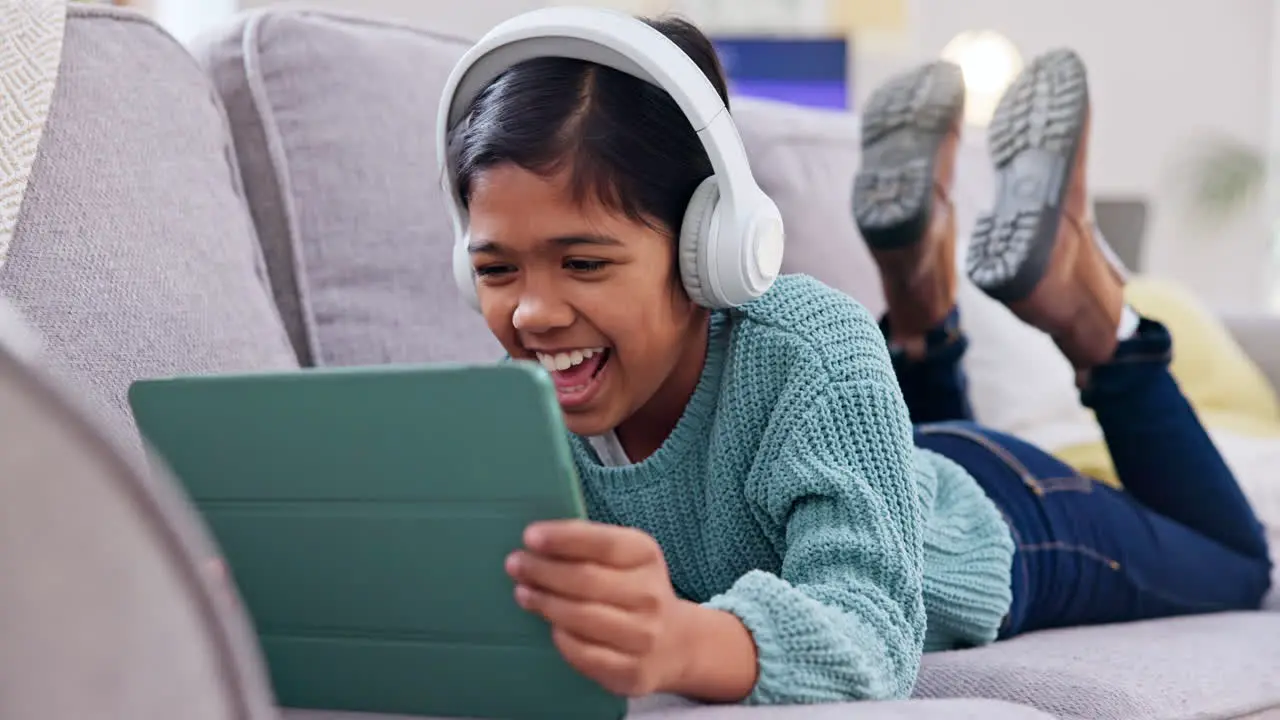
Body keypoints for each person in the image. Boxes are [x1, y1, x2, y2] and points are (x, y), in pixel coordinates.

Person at [448, 14, 1273, 706]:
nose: (532, 312)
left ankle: (1098, 319)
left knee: (1239, 565)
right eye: (495, 269)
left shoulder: (806, 345)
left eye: (584, 263)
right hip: (883, 463)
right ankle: (920, 308)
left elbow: (874, 631)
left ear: (710, 249)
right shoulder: (512, 411)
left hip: (1011, 524)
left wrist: (680, 640)